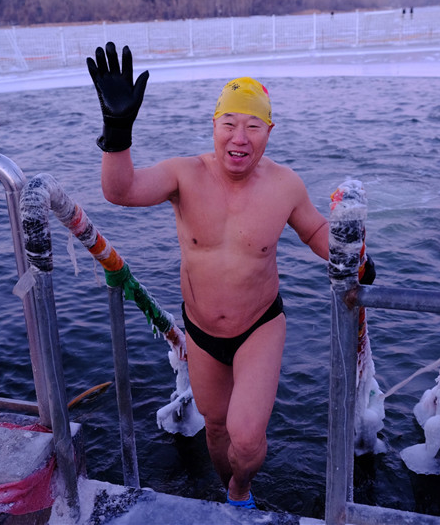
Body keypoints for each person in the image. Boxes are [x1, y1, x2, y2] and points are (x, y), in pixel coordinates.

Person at [87, 42, 334, 509]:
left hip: (260, 324)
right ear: (214, 126)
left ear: (269, 132)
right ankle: (231, 493)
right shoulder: (185, 175)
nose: (240, 136)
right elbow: (120, 191)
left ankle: (241, 489)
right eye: (230, 124)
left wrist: (350, 255)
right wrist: (118, 131)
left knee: (245, 436)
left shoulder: (285, 185)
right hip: (200, 331)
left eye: (253, 125)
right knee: (215, 427)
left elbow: (316, 229)